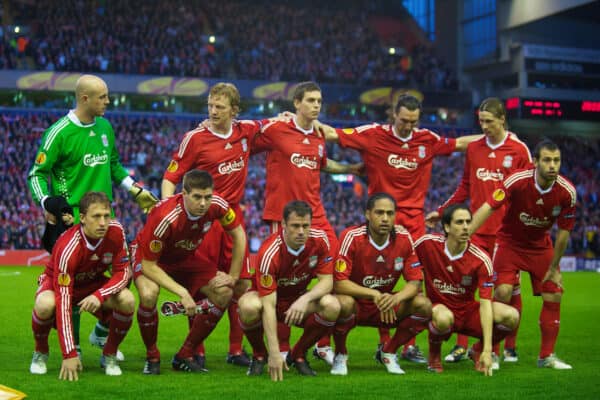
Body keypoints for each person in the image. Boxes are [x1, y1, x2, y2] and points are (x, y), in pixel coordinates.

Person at [316, 94, 480, 363]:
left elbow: (461, 143)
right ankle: (325, 342)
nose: (408, 126)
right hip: (381, 218)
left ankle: (407, 346)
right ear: (393, 114)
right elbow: (332, 134)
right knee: (370, 278)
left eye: (413, 122)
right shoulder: (373, 134)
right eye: (404, 120)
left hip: (414, 224)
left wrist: (502, 135)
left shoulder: (426, 139)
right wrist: (294, 121)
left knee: (414, 285)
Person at [27, 74, 158, 357]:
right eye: (102, 97)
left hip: (102, 219)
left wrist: (135, 191)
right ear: (84, 98)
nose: (108, 102)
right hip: (70, 221)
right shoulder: (59, 133)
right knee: (69, 285)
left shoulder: (105, 127)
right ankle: (71, 345)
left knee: (109, 278)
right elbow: (36, 174)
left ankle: (100, 334)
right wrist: (48, 201)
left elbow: (114, 166)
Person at [161, 82, 269, 367]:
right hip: (204, 221)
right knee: (201, 286)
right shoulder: (194, 138)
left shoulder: (245, 132)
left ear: (234, 110)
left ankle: (236, 350)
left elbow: (270, 125)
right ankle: (196, 351)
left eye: (220, 107)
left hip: (233, 218)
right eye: (210, 105)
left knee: (242, 283)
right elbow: (171, 178)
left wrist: (287, 118)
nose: (213, 111)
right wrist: (168, 209)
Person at [252, 81, 360, 361]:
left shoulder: (319, 135)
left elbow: (324, 166)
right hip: (283, 216)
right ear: (296, 103)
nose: (316, 105)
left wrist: (351, 168)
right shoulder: (276, 130)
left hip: (317, 215)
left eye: (319, 101)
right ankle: (283, 348)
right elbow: (242, 138)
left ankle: (322, 342)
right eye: (311, 100)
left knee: (335, 274)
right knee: (284, 282)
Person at [425, 98, 532, 365]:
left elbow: (527, 193)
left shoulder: (519, 150)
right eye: (481, 121)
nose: (484, 126)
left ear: (502, 119)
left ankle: (504, 348)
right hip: (476, 231)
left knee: (505, 292)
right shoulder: (474, 149)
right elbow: (465, 187)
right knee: (468, 289)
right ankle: (463, 347)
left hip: (507, 234)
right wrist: (443, 210)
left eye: (489, 121)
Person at [468, 140, 576, 370]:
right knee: (503, 292)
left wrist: (554, 268)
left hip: (540, 246)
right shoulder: (517, 180)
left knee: (554, 293)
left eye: (556, 160)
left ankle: (546, 356)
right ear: (535, 161)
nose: (552, 165)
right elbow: (489, 206)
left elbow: (564, 233)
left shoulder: (567, 192)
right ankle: (492, 352)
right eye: (547, 160)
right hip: (510, 243)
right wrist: (466, 235)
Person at [132, 169, 246, 374]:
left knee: (225, 292)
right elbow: (149, 265)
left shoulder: (218, 205)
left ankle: (185, 354)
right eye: (197, 197)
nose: (203, 203)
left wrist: (234, 276)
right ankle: (152, 356)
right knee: (149, 295)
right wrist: (182, 293)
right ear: (184, 194)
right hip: (149, 257)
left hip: (185, 257)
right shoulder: (166, 217)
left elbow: (239, 234)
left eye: (207, 197)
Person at [29, 192, 135, 380]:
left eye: (106, 215)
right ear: (83, 218)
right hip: (57, 285)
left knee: (127, 299)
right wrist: (68, 354)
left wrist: (99, 295)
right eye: (96, 217)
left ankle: (109, 354)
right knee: (45, 304)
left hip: (92, 285)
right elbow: (63, 302)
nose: (103, 223)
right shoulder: (68, 246)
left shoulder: (116, 231)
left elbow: (124, 273)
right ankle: (41, 352)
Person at [329, 193, 431, 375]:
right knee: (342, 302)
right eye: (379, 213)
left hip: (387, 306)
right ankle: (340, 353)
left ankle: (389, 351)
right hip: (357, 304)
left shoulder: (404, 238)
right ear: (368, 214)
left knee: (423, 305)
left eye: (390, 213)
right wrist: (374, 294)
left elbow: (415, 282)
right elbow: (339, 283)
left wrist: (396, 298)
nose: (385, 218)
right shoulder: (351, 236)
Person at [237, 201, 340, 380]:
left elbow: (327, 282)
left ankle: (298, 354)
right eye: (295, 226)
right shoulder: (270, 251)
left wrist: (304, 300)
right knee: (247, 306)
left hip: (298, 298)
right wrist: (275, 352)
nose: (301, 231)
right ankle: (260, 355)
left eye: (305, 225)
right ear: (284, 225)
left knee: (332, 305)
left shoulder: (320, 240)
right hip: (267, 300)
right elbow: (268, 306)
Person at [414, 204, 519, 375]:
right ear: (447, 227)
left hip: (467, 311)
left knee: (511, 316)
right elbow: (406, 258)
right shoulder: (427, 244)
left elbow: (485, 303)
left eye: (468, 222)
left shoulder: (481, 258)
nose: (465, 227)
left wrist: (487, 349)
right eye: (459, 222)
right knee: (442, 317)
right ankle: (434, 355)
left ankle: (476, 350)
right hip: (438, 309)